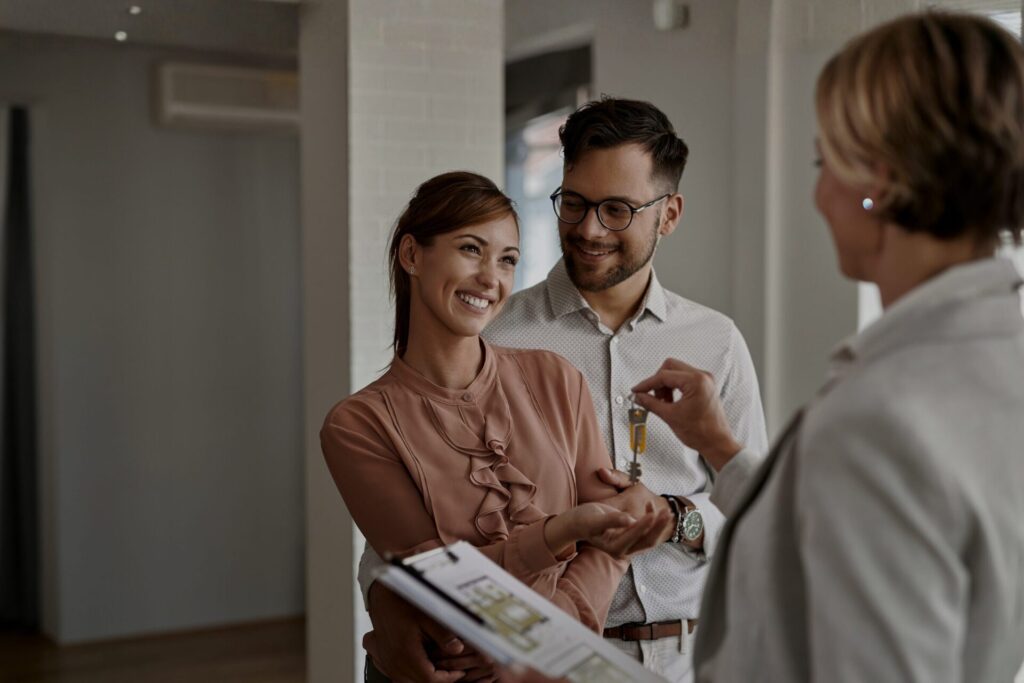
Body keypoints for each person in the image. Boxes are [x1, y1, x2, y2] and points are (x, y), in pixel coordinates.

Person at [622, 12, 1024, 682]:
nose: (818, 193)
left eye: (823, 161)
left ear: (882, 180)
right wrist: (719, 446)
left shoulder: (882, 416)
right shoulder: (997, 357)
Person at [359, 99, 769, 683]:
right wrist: (383, 596)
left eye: (618, 210)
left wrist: (674, 516)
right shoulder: (495, 332)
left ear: (670, 214)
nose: (589, 229)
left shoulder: (717, 342)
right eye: (573, 203)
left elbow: (751, 508)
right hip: (531, 659)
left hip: (688, 658)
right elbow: (412, 507)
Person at [320, 172, 671, 683]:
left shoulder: (556, 378)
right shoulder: (357, 426)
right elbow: (441, 588)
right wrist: (562, 531)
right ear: (412, 255)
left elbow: (610, 544)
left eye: (507, 259)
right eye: (470, 249)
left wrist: (539, 643)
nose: (492, 278)